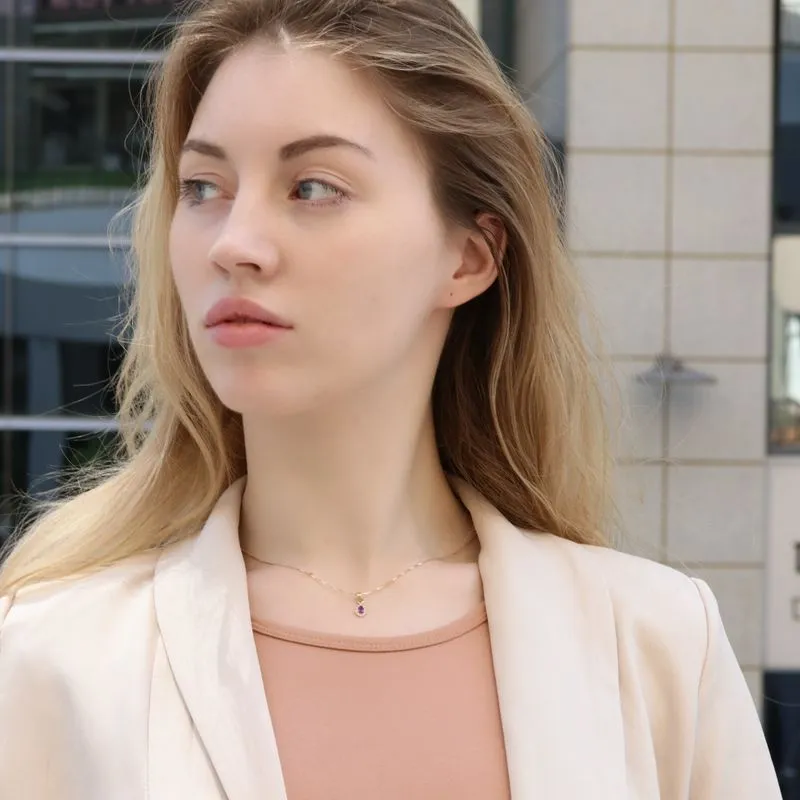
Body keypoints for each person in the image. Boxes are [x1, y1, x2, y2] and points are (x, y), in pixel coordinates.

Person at [0, 0, 781, 797]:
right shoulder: (52, 660)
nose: (233, 242)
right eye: (204, 187)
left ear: (469, 258)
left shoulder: (656, 648)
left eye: (312, 186)